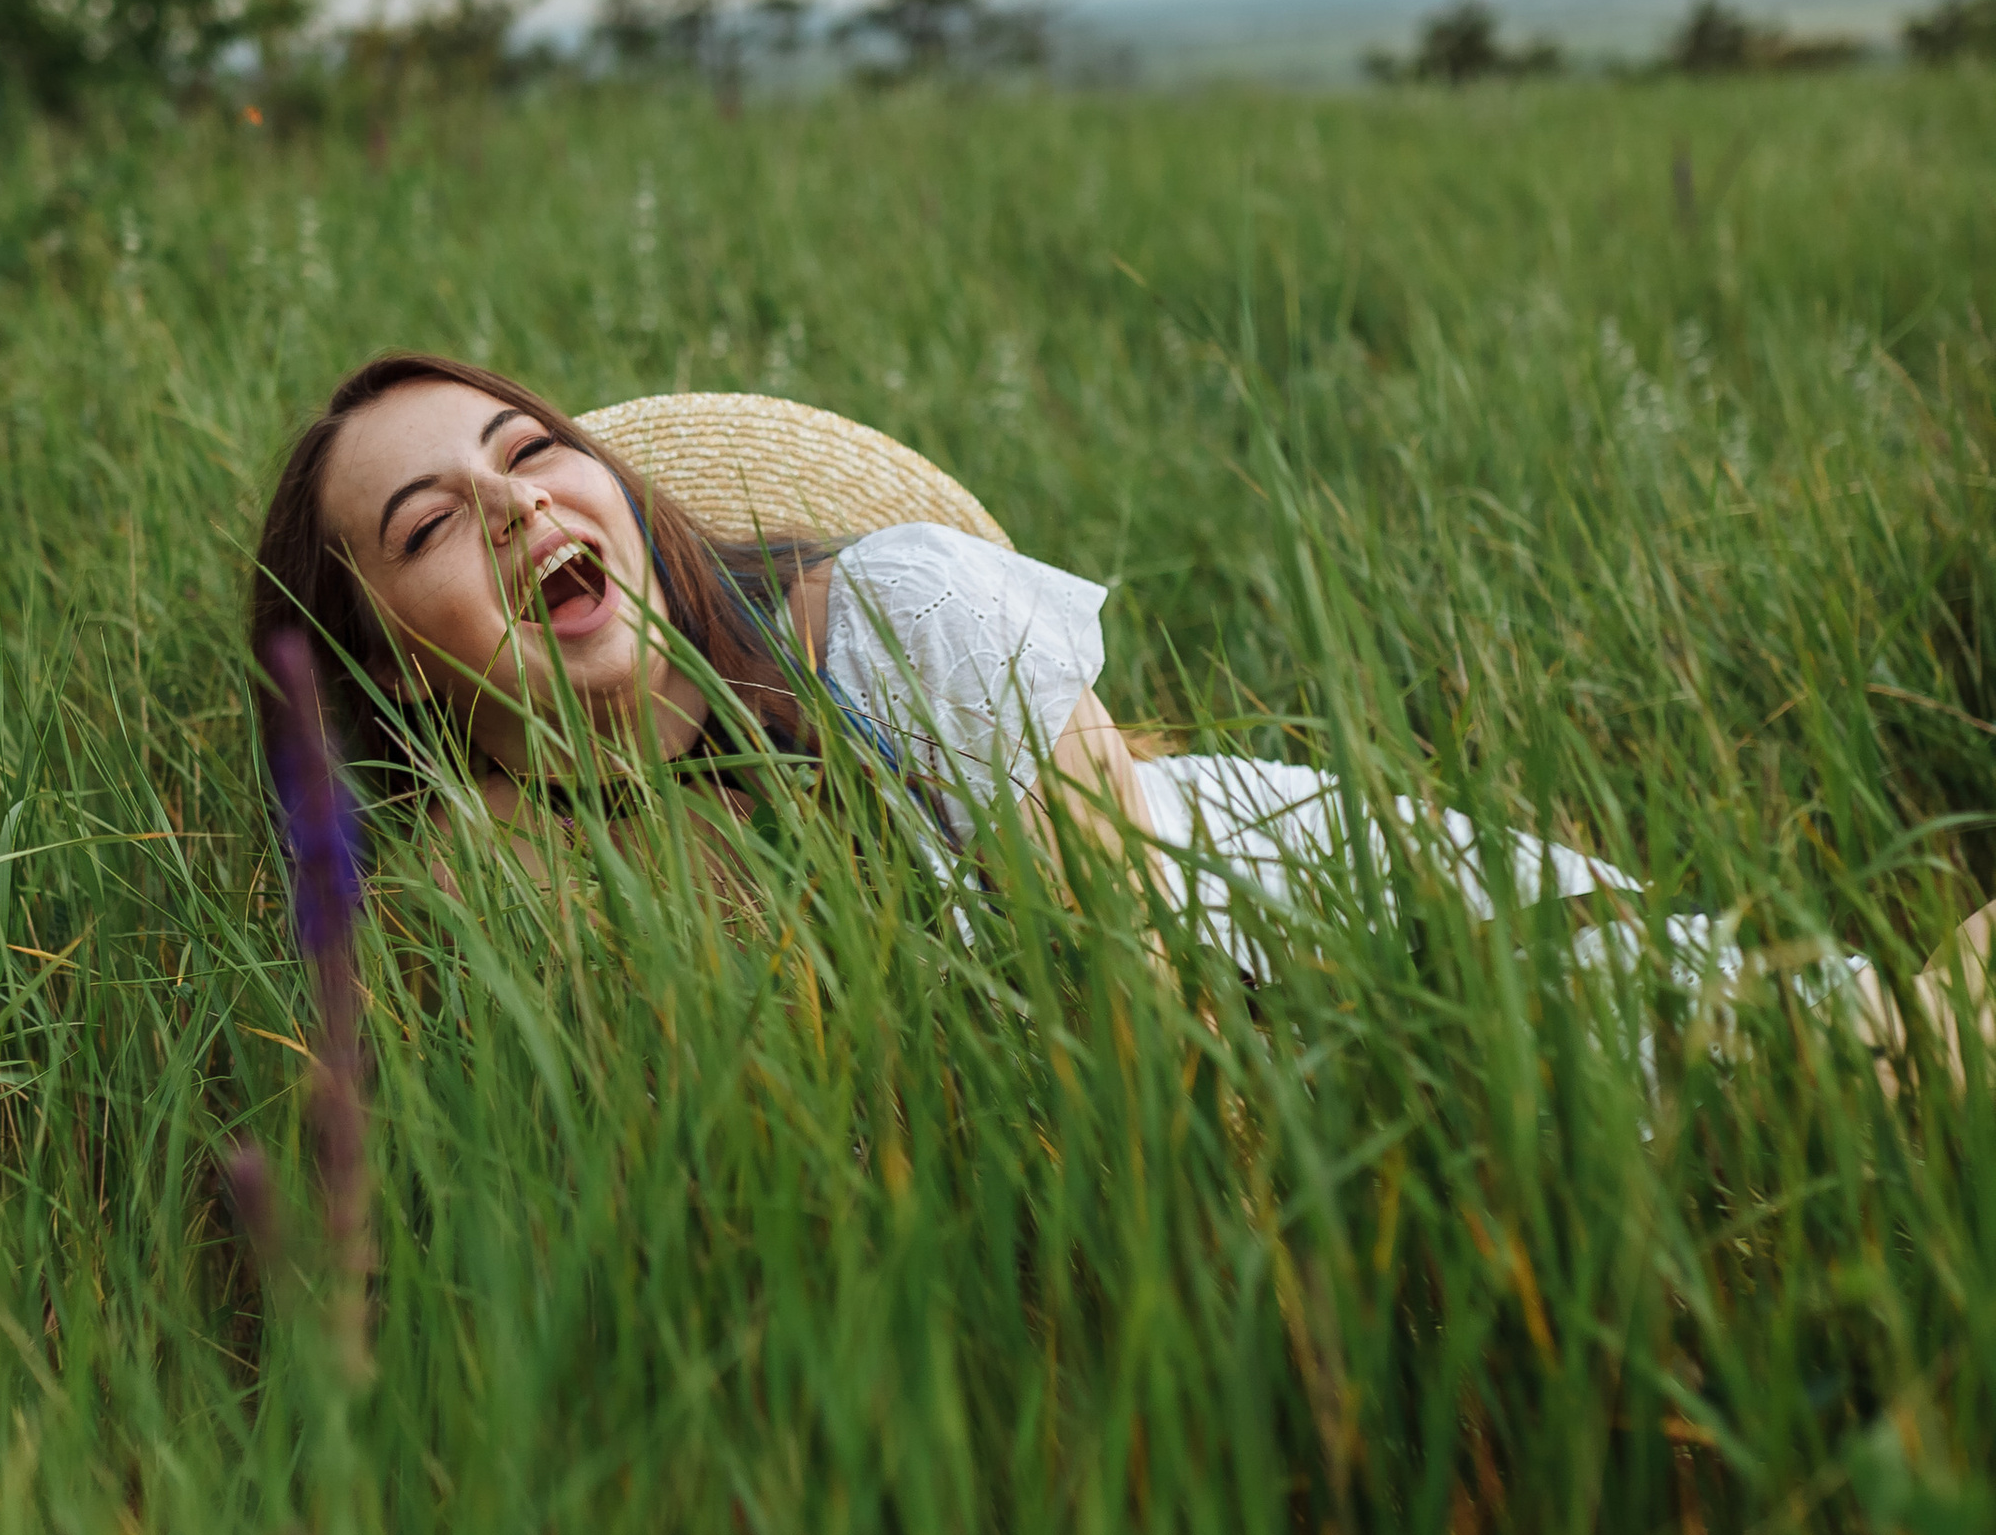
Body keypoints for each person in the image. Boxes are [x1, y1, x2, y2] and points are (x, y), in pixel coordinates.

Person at [251, 348, 1992, 1069]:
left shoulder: (890, 617)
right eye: (428, 525)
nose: (514, 505)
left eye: (532, 450)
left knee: (1862, 1060)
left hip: (1318, 920)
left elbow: (1140, 1004)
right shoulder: (488, 904)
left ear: (613, 498)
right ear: (393, 661)